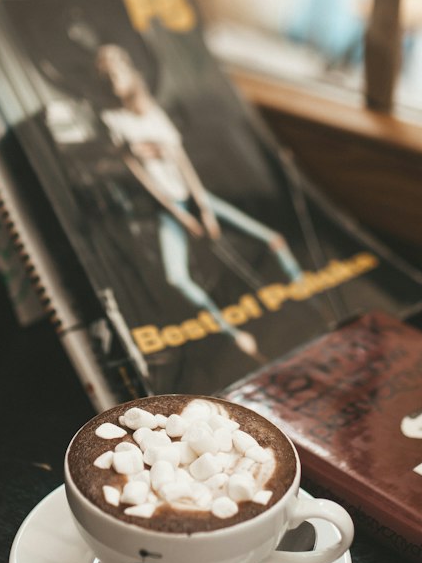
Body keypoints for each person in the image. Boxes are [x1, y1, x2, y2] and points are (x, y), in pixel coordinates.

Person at [94, 43, 302, 359]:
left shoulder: (152, 110)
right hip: (169, 207)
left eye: (118, 72)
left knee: (271, 238)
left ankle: (303, 291)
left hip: (194, 196)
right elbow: (142, 177)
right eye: (107, 76)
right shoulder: (113, 120)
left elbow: (181, 160)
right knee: (176, 278)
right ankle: (233, 334)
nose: (114, 81)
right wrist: (182, 217)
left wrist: (203, 207)